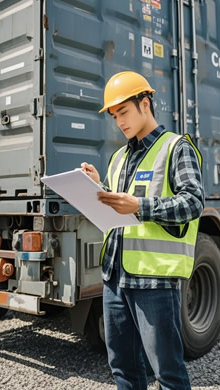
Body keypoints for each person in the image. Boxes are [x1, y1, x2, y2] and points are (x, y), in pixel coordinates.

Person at [81, 71, 204, 390]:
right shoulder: (119, 157)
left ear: (144, 104)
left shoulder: (176, 147)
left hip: (154, 280)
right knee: (122, 367)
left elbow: (192, 203)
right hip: (115, 279)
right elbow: (120, 206)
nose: (119, 121)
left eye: (123, 112)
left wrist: (139, 205)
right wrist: (99, 187)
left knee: (167, 372)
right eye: (114, 116)